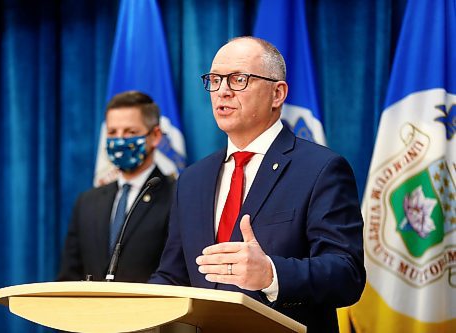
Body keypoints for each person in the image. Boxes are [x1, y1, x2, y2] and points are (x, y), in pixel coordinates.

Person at [149, 37, 366, 332]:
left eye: (239, 79)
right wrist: (128, 309)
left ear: (277, 93)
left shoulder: (320, 169)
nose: (222, 91)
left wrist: (271, 274)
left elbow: (346, 275)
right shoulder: (192, 179)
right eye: (214, 80)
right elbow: (173, 275)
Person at [58, 91, 175, 282]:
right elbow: (69, 275)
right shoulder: (87, 202)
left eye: (130, 132)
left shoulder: (177, 196)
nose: (120, 140)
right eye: (112, 133)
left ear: (155, 136)